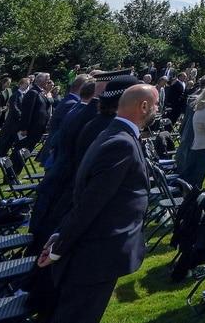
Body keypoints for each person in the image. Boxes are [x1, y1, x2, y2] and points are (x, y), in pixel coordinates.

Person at [37, 83, 158, 323]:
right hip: (96, 253)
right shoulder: (120, 143)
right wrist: (60, 246)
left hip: (95, 250)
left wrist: (61, 234)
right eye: (155, 105)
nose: (158, 109)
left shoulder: (112, 133)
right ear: (143, 106)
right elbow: (90, 202)